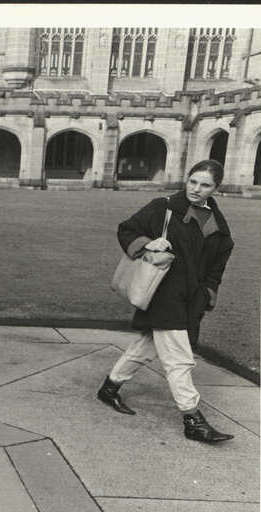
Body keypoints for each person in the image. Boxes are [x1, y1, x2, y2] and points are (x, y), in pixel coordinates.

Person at [97, 159, 236, 444]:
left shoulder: (220, 228)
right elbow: (126, 230)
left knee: (145, 346)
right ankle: (192, 419)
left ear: (216, 188)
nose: (196, 189)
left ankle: (109, 388)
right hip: (163, 292)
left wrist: (208, 293)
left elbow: (216, 269)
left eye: (205, 184)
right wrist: (148, 242)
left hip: (192, 299)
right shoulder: (162, 208)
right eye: (193, 181)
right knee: (179, 359)